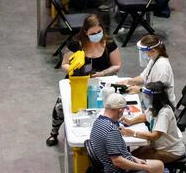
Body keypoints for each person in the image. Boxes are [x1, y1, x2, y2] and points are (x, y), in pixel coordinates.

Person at [47, 15, 124, 146]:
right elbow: (64, 64)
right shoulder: (76, 44)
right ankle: (53, 133)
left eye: (99, 32)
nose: (96, 35)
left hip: (100, 83)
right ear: (85, 32)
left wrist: (102, 73)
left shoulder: (109, 43)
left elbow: (117, 65)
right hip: (78, 82)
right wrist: (76, 71)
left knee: (105, 108)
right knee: (60, 107)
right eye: (92, 33)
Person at [90, 92, 166, 173]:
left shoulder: (98, 121)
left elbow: (119, 154)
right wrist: (144, 168)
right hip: (118, 170)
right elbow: (118, 162)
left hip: (112, 164)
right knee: (158, 166)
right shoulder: (111, 130)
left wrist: (135, 159)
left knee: (158, 165)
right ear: (120, 110)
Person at [116, 34, 175, 99]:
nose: (143, 54)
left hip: (161, 105)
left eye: (144, 51)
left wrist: (140, 89)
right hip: (150, 100)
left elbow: (158, 92)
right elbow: (143, 78)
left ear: (153, 51)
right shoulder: (154, 59)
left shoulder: (162, 68)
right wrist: (128, 81)